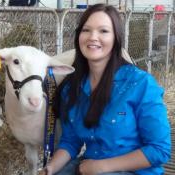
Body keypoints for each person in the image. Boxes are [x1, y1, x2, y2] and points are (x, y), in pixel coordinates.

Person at [40, 3, 171, 175]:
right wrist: (49, 169)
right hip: (89, 166)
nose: (93, 37)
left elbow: (159, 150)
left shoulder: (140, 84)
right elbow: (70, 142)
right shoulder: (72, 87)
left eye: (103, 31)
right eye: (86, 30)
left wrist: (101, 167)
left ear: (116, 38)